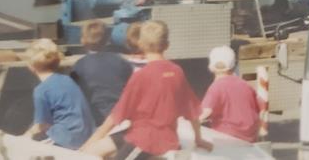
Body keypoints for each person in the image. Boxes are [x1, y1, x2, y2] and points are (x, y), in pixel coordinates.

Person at [80, 20, 212, 158]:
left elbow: (116, 116)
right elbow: (192, 112)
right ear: (167, 45)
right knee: (103, 147)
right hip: (161, 139)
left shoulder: (141, 76)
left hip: (146, 142)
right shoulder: (177, 72)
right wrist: (198, 138)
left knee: (92, 151)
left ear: (141, 44)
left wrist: (91, 142)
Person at [23, 38, 95, 150]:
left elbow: (41, 126)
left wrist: (23, 137)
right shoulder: (67, 80)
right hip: (87, 135)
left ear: (31, 67)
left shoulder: (41, 90)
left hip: (67, 139)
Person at [72, 20, 133, 124]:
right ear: (107, 40)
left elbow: (75, 93)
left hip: (97, 115)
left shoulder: (79, 65)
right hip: (122, 112)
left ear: (82, 40)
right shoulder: (120, 61)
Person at [199, 46, 260, 142]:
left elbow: (205, 113)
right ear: (233, 65)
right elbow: (257, 109)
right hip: (250, 137)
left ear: (211, 66)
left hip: (228, 137)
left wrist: (189, 121)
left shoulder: (216, 87)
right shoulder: (245, 85)